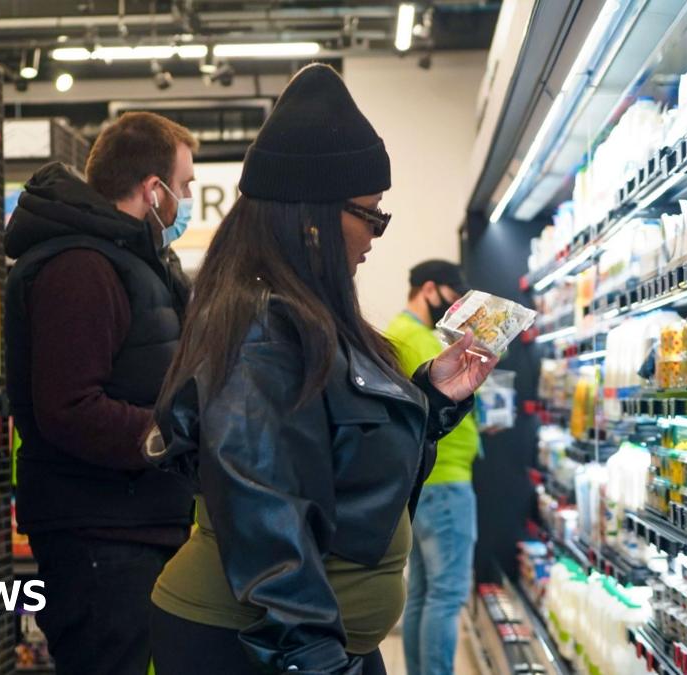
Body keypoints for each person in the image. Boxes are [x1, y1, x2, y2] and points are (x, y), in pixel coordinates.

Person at [147, 63, 498, 675]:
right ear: (312, 217)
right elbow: (264, 519)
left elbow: (345, 472)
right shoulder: (261, 331)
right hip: (256, 650)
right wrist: (316, 659)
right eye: (371, 214)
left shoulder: (307, 317)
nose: (377, 235)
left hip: (312, 644)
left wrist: (432, 401)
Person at [3, 112, 198, 674]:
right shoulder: (80, 268)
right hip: (99, 536)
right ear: (151, 188)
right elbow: (68, 407)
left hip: (131, 522)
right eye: (183, 186)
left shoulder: (133, 262)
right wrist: (165, 436)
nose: (185, 200)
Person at [387, 261, 481, 675]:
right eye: (452, 295)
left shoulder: (398, 333)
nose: (455, 306)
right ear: (428, 289)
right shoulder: (419, 339)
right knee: (446, 595)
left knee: (424, 594)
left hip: (425, 481)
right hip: (446, 481)